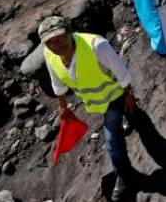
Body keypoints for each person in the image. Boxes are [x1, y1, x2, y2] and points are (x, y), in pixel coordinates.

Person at [39, 15, 138, 201]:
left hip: (114, 95)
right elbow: (57, 83)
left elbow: (122, 72)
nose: (56, 44)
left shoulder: (96, 45)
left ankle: (125, 175)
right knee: (122, 123)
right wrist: (62, 106)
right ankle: (131, 115)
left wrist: (129, 95)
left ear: (69, 31)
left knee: (111, 141)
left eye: (60, 37)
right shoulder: (49, 54)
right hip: (96, 102)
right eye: (50, 42)